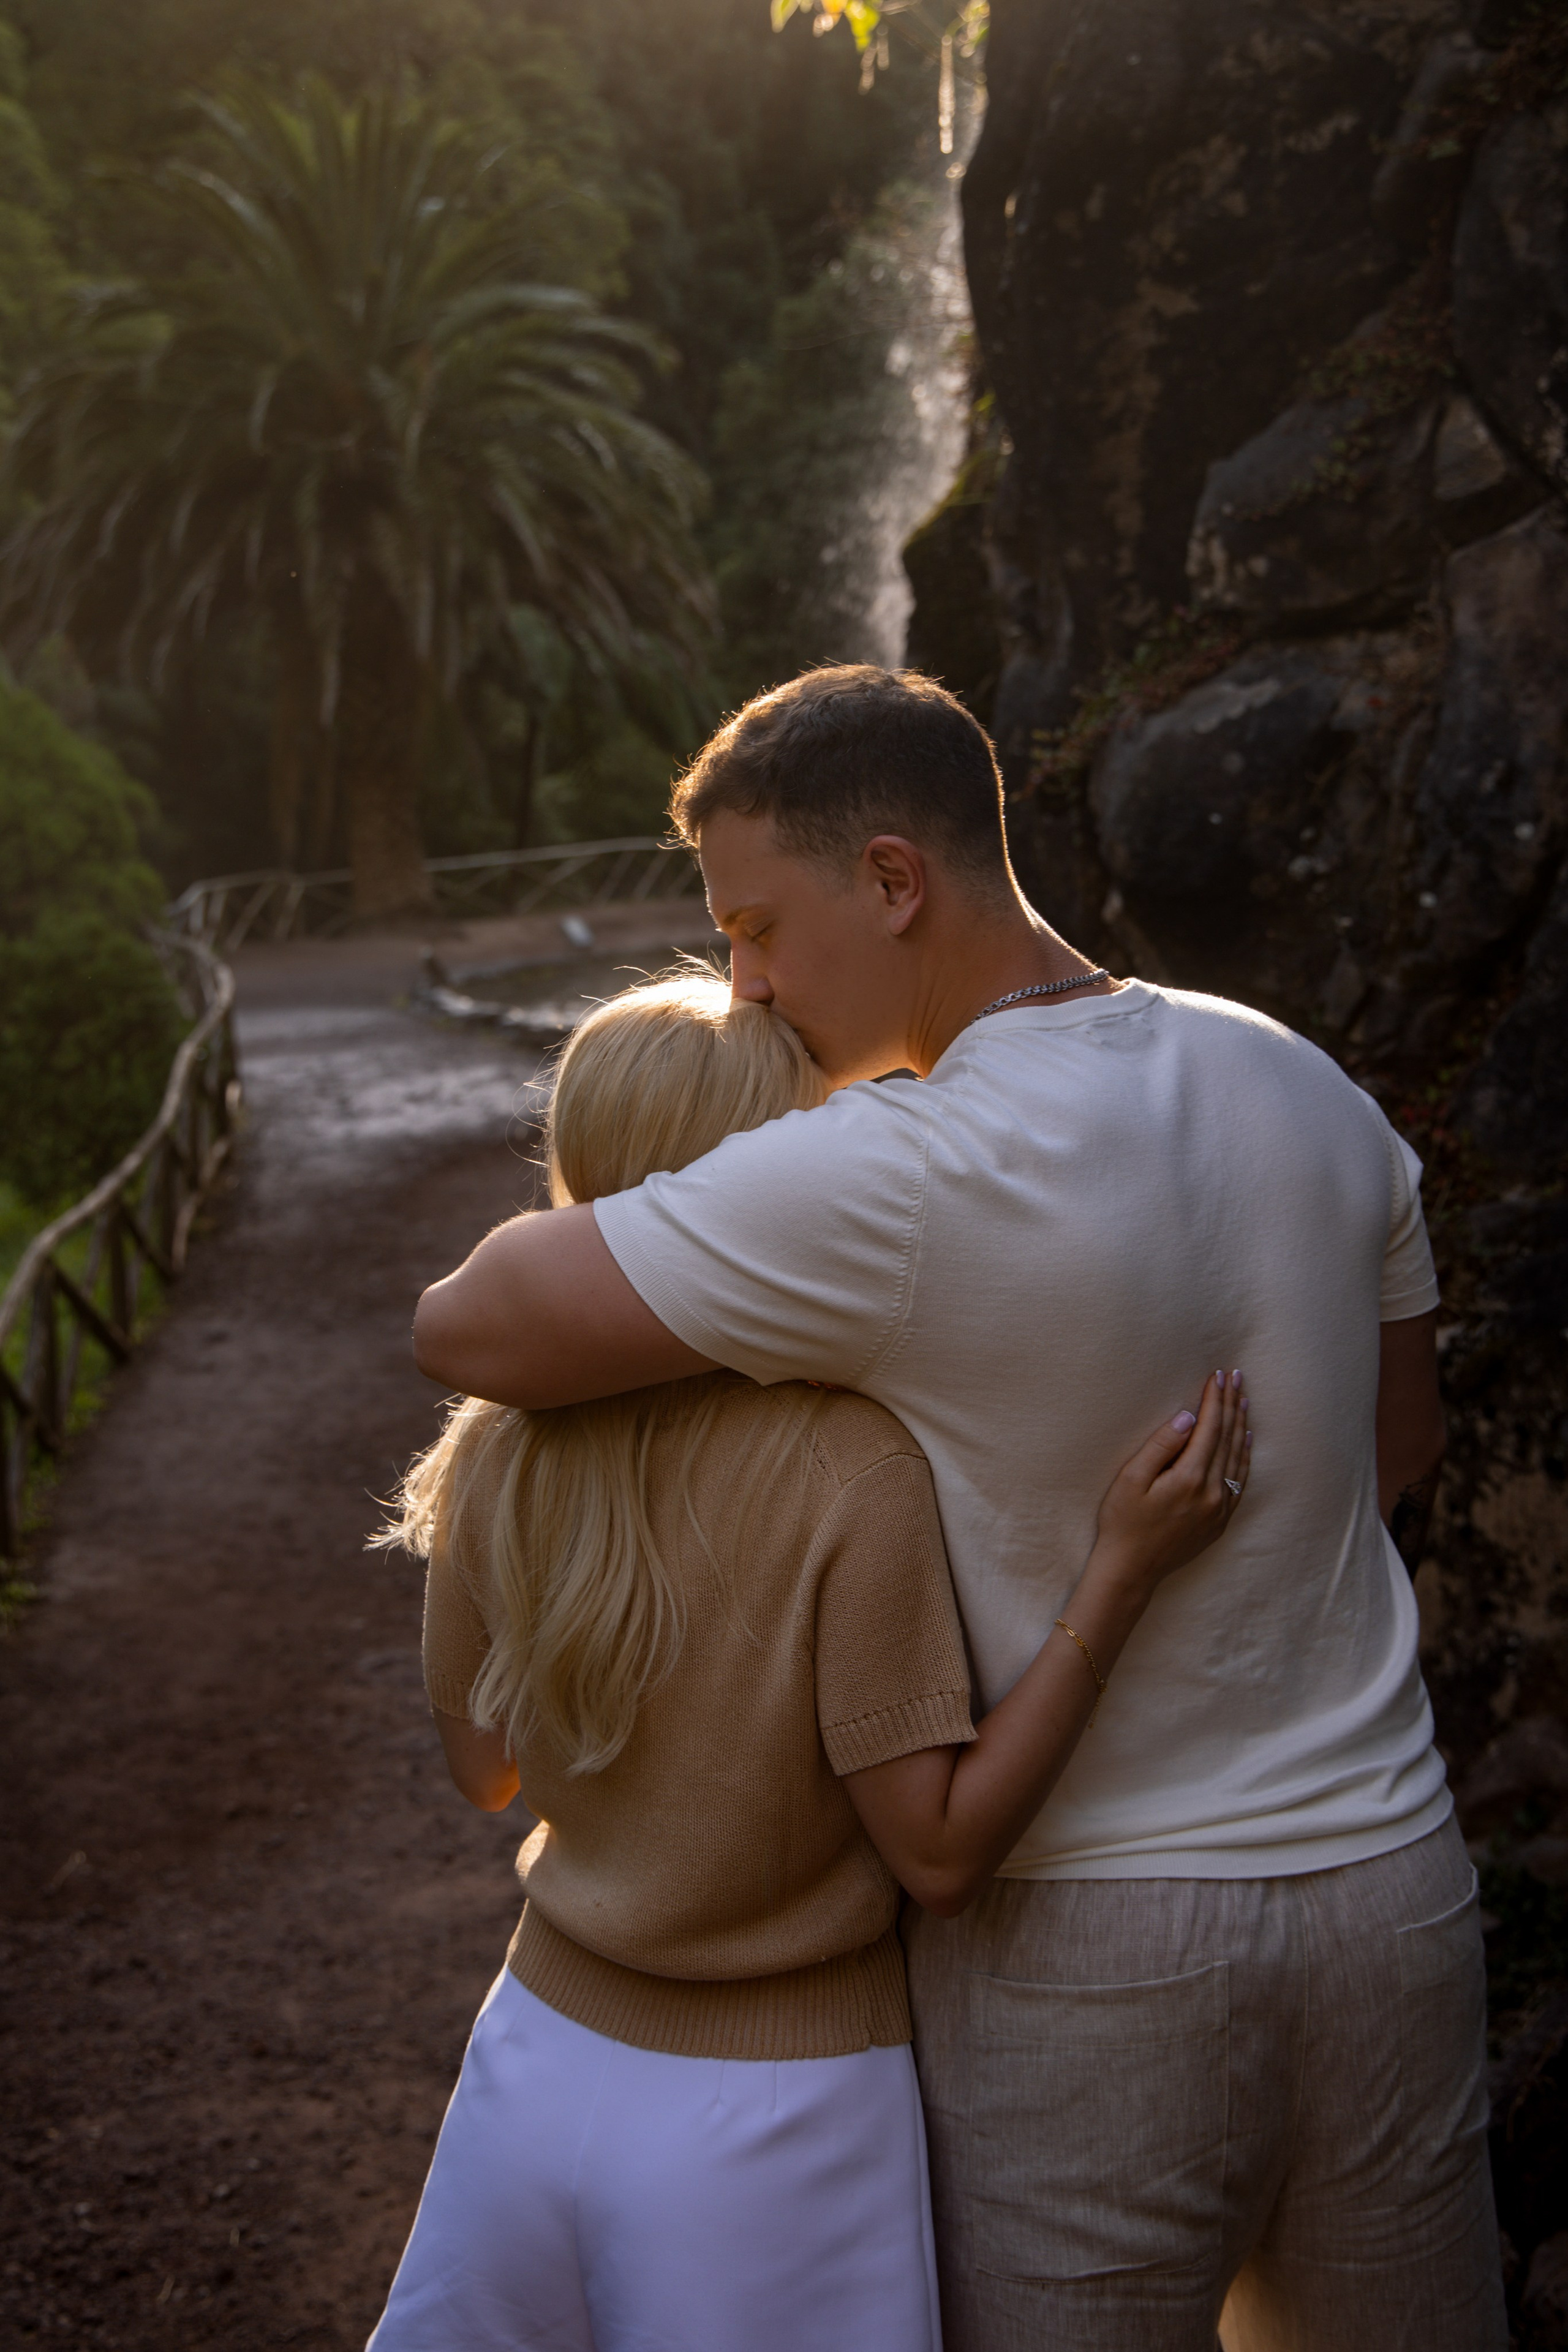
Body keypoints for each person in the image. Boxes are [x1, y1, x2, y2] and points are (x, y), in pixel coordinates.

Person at [413, 666, 1506, 2352]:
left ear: (896, 880)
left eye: (758, 927)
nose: (748, 984)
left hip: (1086, 1942)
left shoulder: (898, 1173)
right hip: (1389, 1888)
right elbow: (1396, 1448)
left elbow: (465, 1322)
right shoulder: (1303, 1080)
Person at [369, 969, 1251, 2352]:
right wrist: (1119, 1575)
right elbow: (941, 1855)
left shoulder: (495, 1448)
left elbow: (483, 1772)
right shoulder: (852, 1468)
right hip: (768, 2122)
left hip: (530, 2061)